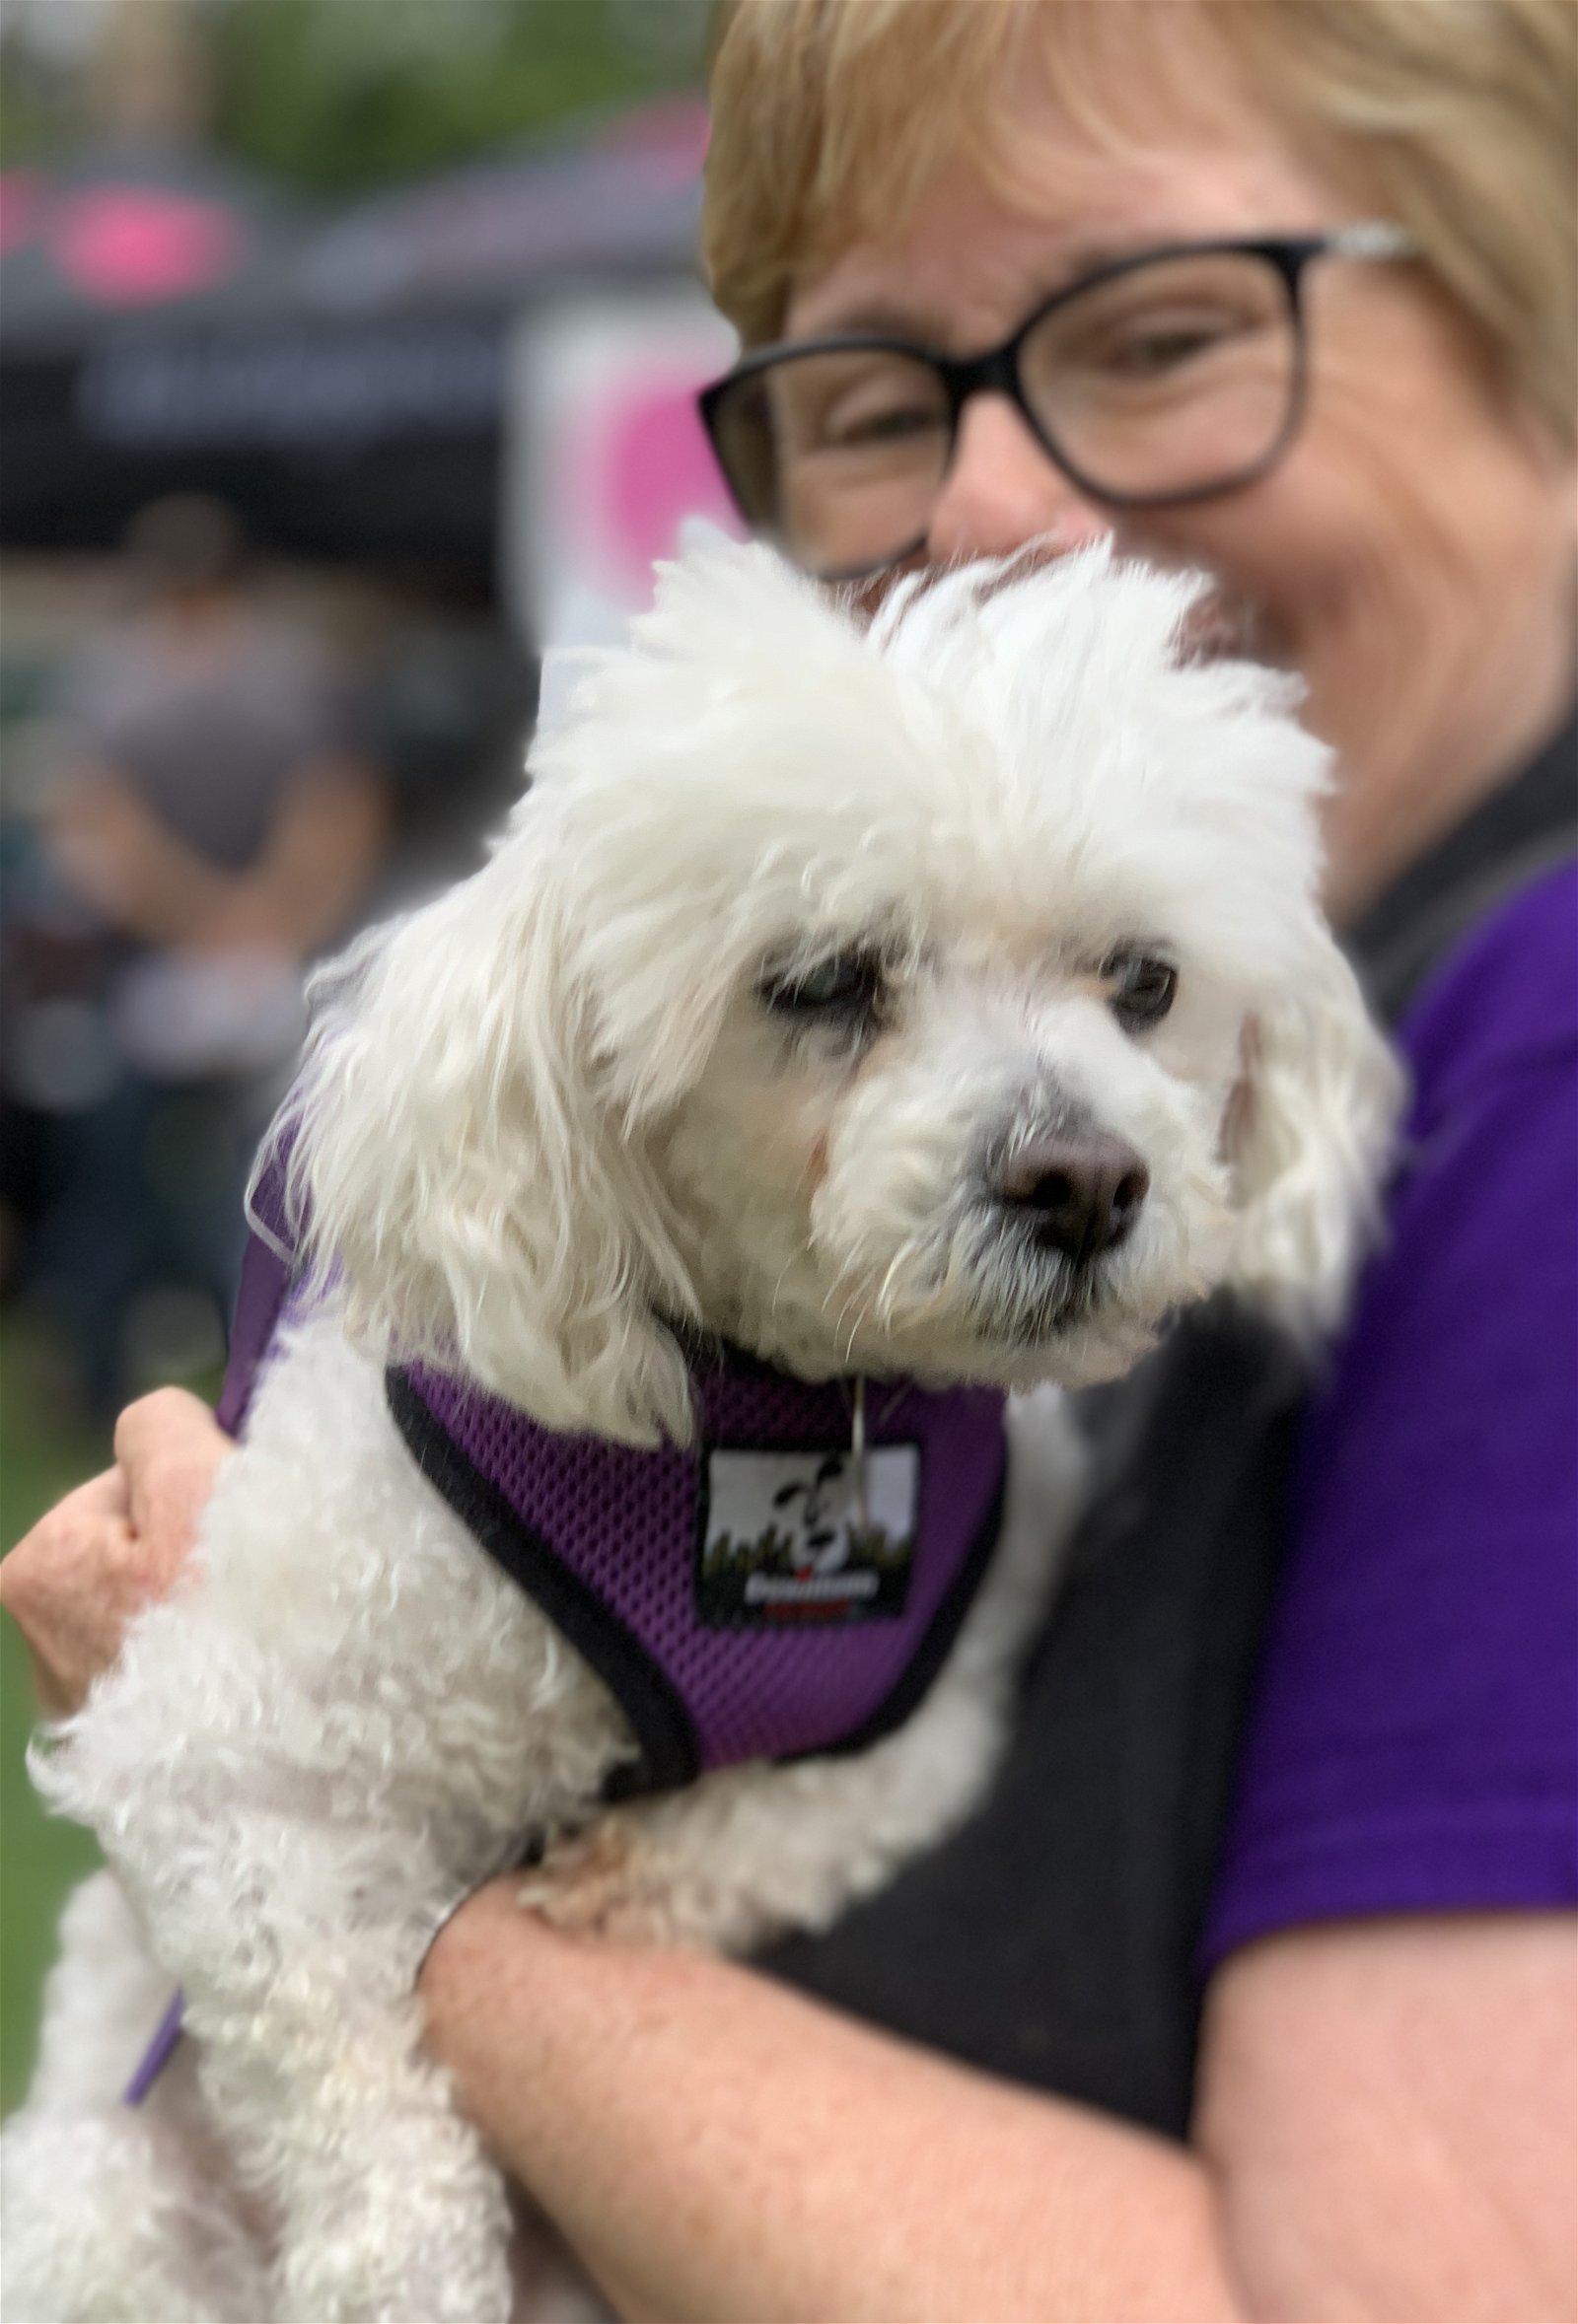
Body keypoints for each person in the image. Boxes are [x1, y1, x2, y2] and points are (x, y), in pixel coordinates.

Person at [4, 2, 1575, 2314]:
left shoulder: (1518, 1057)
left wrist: (443, 1945)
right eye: (862, 403)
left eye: (1160, 332)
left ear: (1531, 298)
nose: (1008, 524)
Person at [15, 495, 389, 1413]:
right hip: (243, 965)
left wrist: (214, 920)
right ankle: (252, 1373)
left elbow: (96, 828)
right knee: (259, 1187)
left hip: (188, 967)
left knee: (169, 1186)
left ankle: (133, 1373)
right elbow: (337, 817)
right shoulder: (285, 673)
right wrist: (255, 919)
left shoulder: (120, 679)